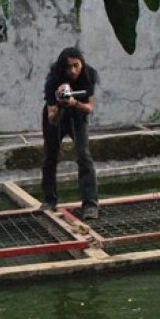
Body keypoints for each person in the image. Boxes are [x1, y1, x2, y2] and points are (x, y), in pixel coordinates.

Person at [41, 46, 99, 219]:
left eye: (76, 65)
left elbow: (89, 107)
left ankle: (90, 204)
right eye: (68, 67)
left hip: (78, 113)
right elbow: (52, 118)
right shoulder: (53, 80)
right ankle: (49, 200)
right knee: (50, 156)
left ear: (81, 63)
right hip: (59, 114)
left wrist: (73, 103)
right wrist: (59, 102)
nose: (73, 71)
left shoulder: (89, 74)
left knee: (84, 156)